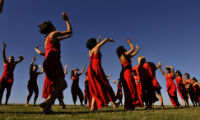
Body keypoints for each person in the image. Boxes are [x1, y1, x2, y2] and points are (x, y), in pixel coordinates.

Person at [38, 11, 72, 114]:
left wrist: (65, 37)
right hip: (53, 61)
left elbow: (59, 39)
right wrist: (66, 20)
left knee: (62, 85)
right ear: (51, 27)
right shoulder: (53, 33)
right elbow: (69, 31)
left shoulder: (48, 38)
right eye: (53, 25)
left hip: (48, 62)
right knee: (61, 84)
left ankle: (46, 102)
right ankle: (47, 107)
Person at [86, 36, 117, 111]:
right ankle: (113, 103)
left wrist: (98, 40)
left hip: (91, 69)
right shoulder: (96, 48)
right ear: (94, 43)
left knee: (95, 87)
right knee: (105, 85)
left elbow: (97, 44)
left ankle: (93, 107)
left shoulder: (90, 51)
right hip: (97, 69)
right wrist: (109, 39)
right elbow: (105, 39)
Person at [116, 39, 140, 110]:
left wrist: (138, 50)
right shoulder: (123, 55)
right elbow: (132, 49)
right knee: (130, 88)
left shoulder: (125, 56)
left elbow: (134, 54)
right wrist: (130, 43)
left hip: (125, 73)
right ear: (122, 50)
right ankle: (129, 105)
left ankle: (129, 106)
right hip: (126, 73)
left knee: (128, 89)